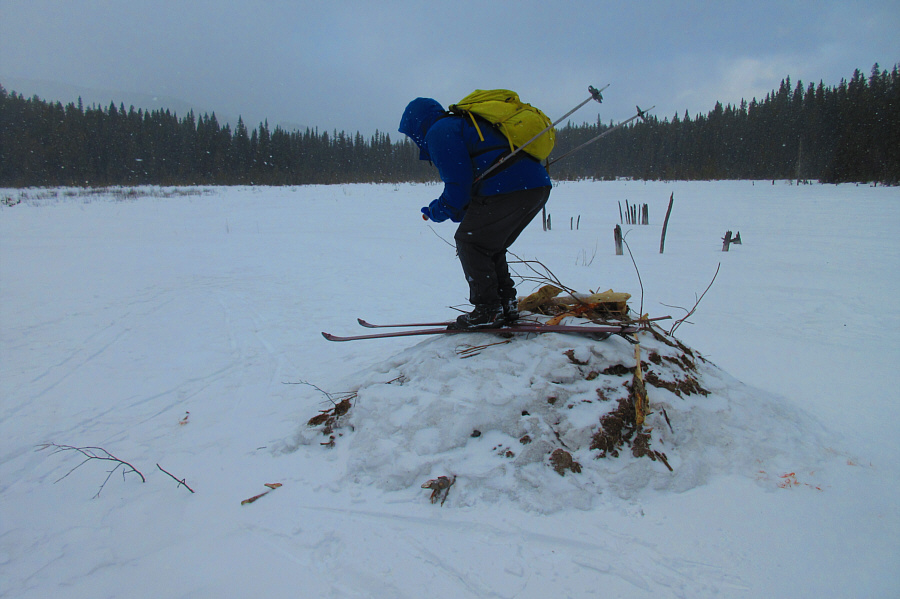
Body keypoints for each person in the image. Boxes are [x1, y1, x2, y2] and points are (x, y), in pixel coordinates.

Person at [399, 97, 552, 330]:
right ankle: (505, 303)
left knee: (470, 242)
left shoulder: (440, 131)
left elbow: (458, 188)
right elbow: (470, 187)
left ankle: (488, 309)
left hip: (511, 187)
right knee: (489, 245)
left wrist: (438, 211)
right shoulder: (463, 125)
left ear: (417, 124)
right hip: (534, 186)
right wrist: (460, 210)